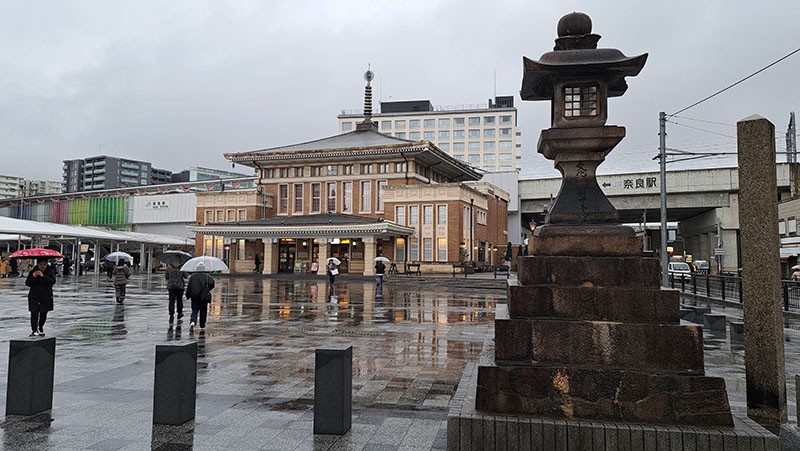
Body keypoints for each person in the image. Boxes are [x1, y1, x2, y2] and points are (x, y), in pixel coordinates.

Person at [25, 257, 56, 337]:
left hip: (45, 296)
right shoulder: (33, 271)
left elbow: (52, 281)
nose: (42, 266)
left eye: (44, 264)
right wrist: (33, 276)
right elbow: (28, 283)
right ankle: (34, 330)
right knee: (34, 313)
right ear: (38, 264)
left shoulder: (50, 271)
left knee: (43, 313)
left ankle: (40, 326)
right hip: (34, 296)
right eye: (40, 264)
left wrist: (43, 276)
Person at [185, 263, 215, 333]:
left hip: (194, 296)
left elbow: (189, 286)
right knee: (203, 311)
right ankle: (202, 325)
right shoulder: (207, 276)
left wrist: (188, 294)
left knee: (194, 311)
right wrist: (207, 289)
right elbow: (212, 283)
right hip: (204, 297)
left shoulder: (193, 276)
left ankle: (193, 321)